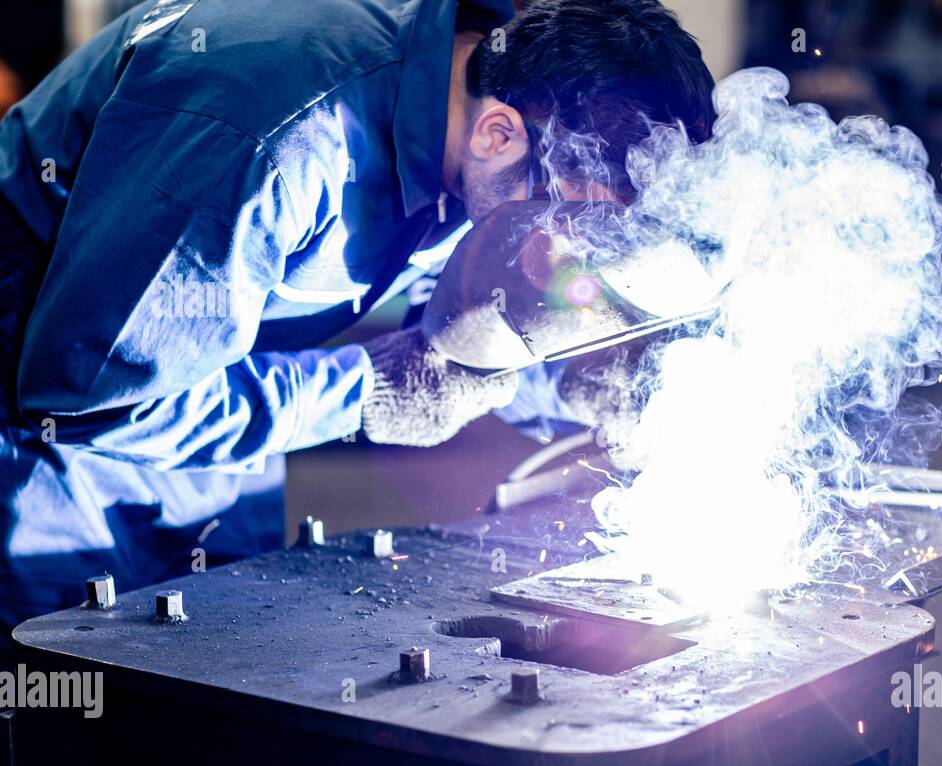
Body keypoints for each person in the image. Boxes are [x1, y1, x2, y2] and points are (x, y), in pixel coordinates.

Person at [0, 0, 715, 636]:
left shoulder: (478, 89)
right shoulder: (281, 137)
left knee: (209, 687)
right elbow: (91, 396)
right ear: (499, 137)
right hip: (50, 443)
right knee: (70, 735)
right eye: (568, 227)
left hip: (211, 437)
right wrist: (364, 390)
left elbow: (467, 329)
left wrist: (588, 387)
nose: (556, 261)